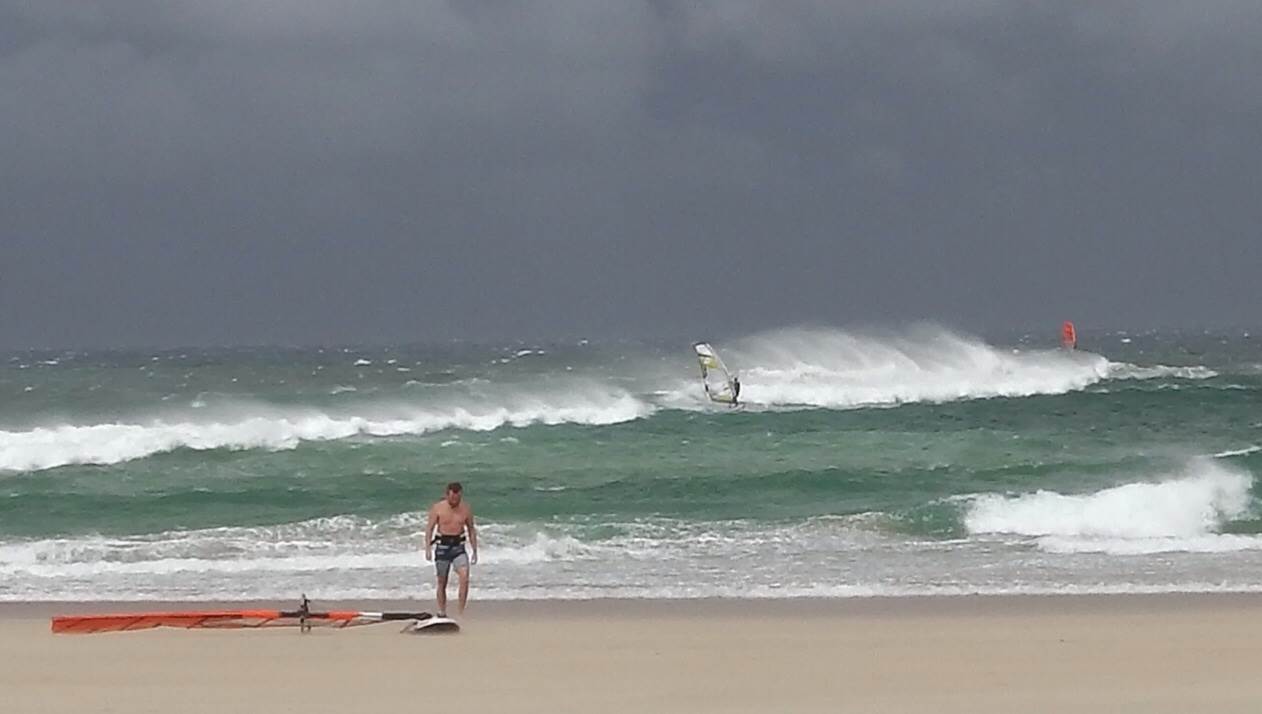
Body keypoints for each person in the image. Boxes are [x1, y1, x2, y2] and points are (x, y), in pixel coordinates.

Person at [425, 482, 478, 617]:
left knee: (464, 577)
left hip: (458, 548)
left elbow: (471, 530)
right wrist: (428, 548)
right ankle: (442, 611)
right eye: (452, 498)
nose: (455, 501)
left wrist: (474, 550)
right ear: (447, 495)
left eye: (458, 498)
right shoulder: (438, 508)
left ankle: (461, 612)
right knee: (442, 581)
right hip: (442, 548)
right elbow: (429, 528)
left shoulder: (466, 509)